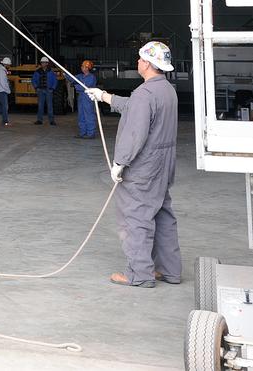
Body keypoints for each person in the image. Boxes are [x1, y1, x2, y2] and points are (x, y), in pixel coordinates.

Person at [85, 41, 180, 288]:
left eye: (139, 59)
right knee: (162, 215)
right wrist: (104, 96)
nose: (137, 62)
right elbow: (133, 108)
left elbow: (135, 132)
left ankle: (140, 274)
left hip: (144, 167)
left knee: (135, 217)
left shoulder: (145, 94)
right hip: (163, 165)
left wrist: (120, 162)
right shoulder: (166, 90)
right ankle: (168, 269)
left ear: (147, 63)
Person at [71, 60, 98, 139]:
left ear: (88, 68)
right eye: (82, 66)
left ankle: (91, 133)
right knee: (81, 116)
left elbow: (84, 87)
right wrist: (65, 74)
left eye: (84, 67)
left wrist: (76, 86)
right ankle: (82, 132)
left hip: (88, 98)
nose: (82, 68)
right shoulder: (80, 76)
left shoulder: (91, 77)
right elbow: (72, 79)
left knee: (89, 115)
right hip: (81, 98)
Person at [32, 57, 57, 126]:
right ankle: (39, 120)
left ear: (47, 63)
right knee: (40, 106)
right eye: (42, 62)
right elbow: (33, 80)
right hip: (40, 90)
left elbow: (55, 81)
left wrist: (52, 88)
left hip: (48, 90)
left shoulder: (51, 72)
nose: (43, 64)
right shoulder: (37, 71)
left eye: (45, 62)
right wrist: (36, 87)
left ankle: (51, 121)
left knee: (50, 106)